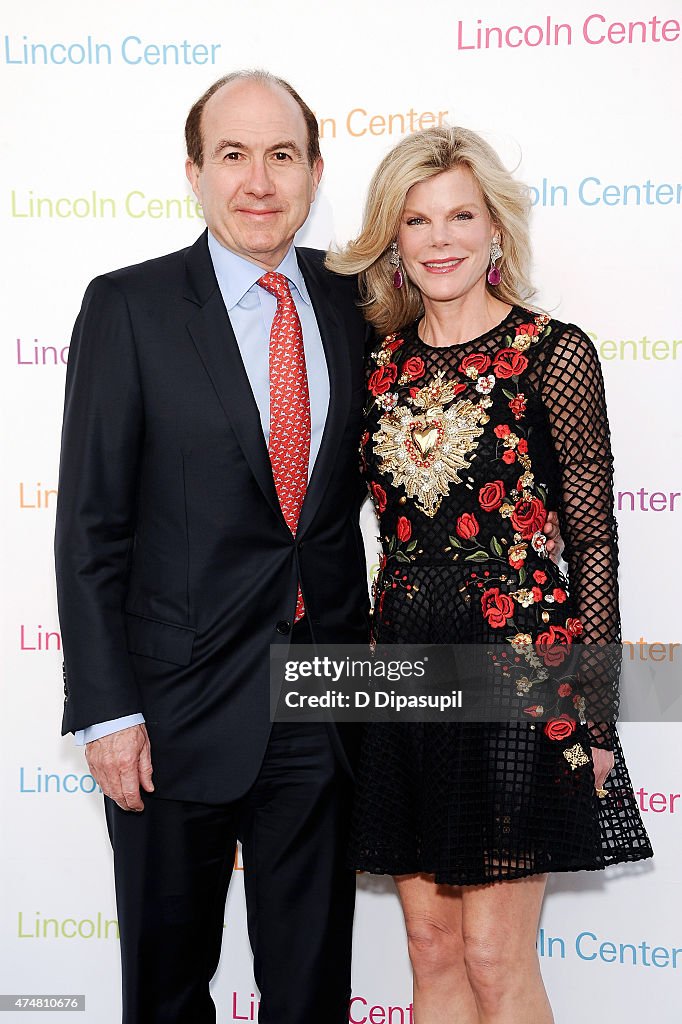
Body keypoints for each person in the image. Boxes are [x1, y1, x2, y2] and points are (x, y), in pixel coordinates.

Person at [54, 70, 372, 1024]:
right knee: (167, 988)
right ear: (194, 171)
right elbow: (91, 527)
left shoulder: (360, 302)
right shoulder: (130, 308)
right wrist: (107, 713)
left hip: (324, 703)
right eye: (233, 154)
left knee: (311, 991)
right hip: (170, 711)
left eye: (282, 155)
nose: (259, 180)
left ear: (315, 171)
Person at [327, 126, 653, 1023]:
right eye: (418, 220)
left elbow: (592, 542)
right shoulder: (378, 364)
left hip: (519, 671)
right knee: (430, 949)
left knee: (491, 953)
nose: (441, 239)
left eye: (461, 215)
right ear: (393, 240)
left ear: (496, 228)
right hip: (403, 670)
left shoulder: (555, 353)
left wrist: (594, 710)